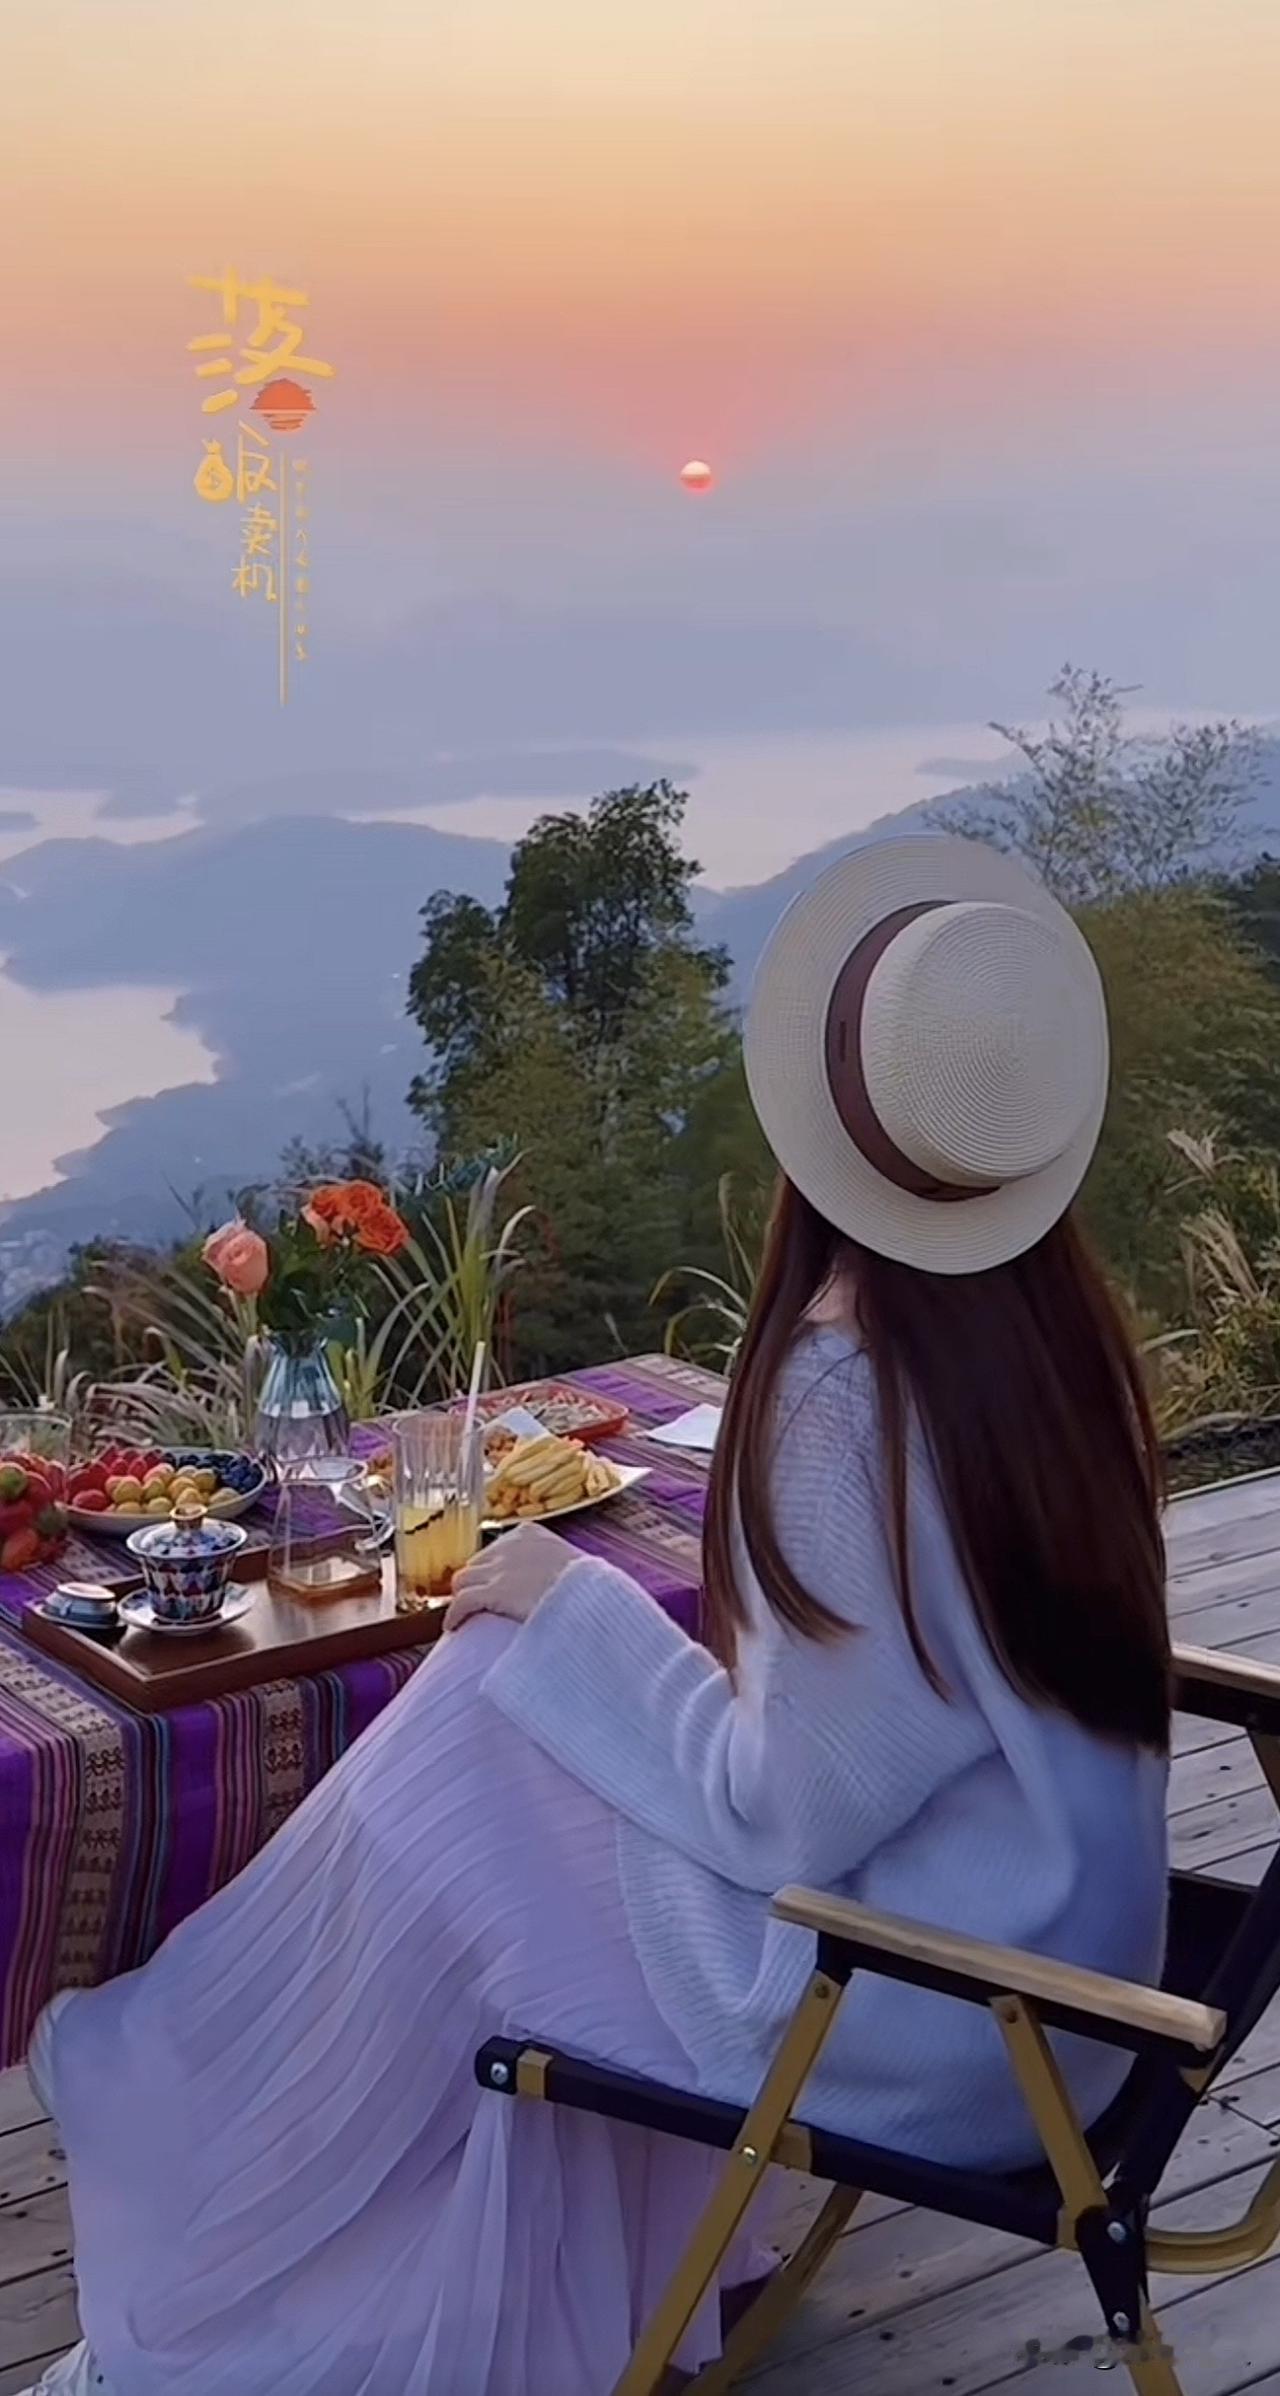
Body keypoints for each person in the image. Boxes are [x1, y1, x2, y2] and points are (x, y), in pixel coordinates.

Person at [23, 834, 1170, 2396]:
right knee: (510, 1697)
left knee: (481, 1742)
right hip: (1057, 1977)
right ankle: (181, 2065)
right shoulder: (1054, 1346)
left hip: (929, 2014)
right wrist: (568, 1632)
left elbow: (784, 1815)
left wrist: (572, 1607)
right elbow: (873, 1745)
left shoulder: (849, 1389)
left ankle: (162, 2083)